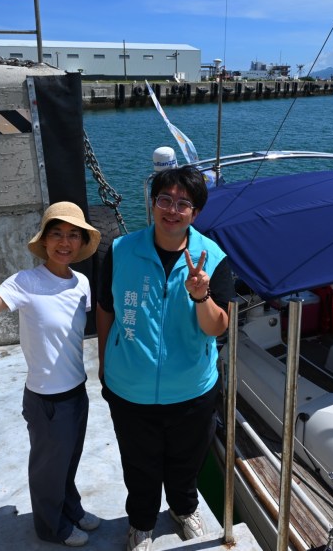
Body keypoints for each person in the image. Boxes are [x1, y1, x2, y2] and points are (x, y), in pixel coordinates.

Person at [96, 165, 235, 551]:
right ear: (152, 203)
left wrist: (200, 295)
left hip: (192, 389)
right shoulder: (121, 250)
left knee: (186, 461)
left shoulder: (213, 258)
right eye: (165, 200)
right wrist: (104, 361)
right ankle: (141, 523)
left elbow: (217, 327)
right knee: (138, 463)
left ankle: (183, 508)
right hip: (130, 386)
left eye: (183, 204)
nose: (172, 210)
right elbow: (105, 308)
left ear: (196, 212)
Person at [0, 201, 102, 547]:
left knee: (68, 461)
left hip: (77, 391)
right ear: (44, 240)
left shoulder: (81, 283)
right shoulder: (25, 282)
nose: (65, 242)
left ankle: (70, 507)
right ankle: (51, 527)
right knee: (47, 469)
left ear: (82, 242)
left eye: (73, 235)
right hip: (46, 398)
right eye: (57, 234)